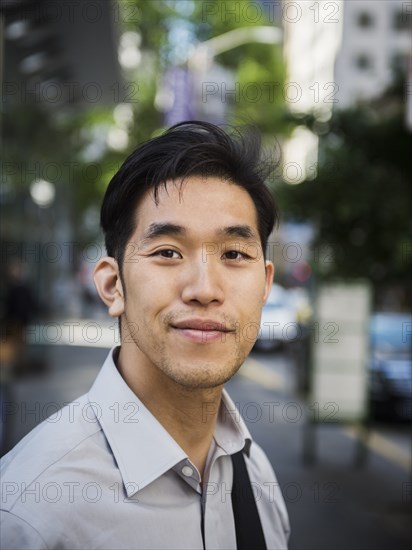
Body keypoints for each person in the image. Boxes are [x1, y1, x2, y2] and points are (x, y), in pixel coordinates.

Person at [0, 121, 290, 549]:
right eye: (168, 252)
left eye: (234, 253)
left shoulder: (256, 475)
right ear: (113, 285)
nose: (205, 289)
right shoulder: (32, 512)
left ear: (265, 285)